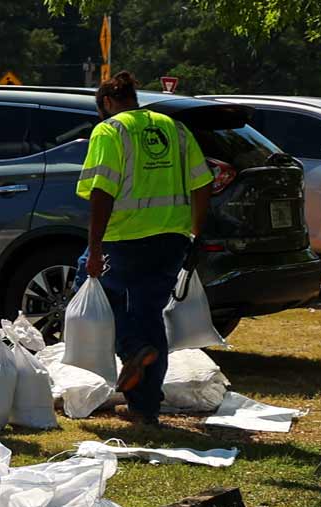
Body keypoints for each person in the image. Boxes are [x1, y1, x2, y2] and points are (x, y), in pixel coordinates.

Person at [77, 72, 212, 426]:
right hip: (171, 239)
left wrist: (94, 248)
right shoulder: (176, 129)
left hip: (124, 239)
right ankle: (144, 408)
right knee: (150, 315)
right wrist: (196, 232)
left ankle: (131, 348)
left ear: (107, 103)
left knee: (86, 286)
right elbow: (203, 182)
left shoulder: (110, 130)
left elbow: (102, 191)